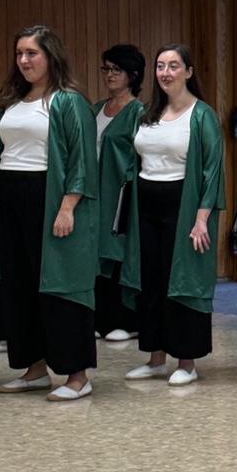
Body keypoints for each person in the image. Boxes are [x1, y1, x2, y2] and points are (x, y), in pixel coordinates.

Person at [0, 25, 99, 401]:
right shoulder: (13, 100)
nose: (24, 60)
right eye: (19, 53)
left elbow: (81, 159)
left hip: (49, 195)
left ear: (50, 56)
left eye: (32, 53)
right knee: (19, 285)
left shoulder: (68, 101)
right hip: (11, 194)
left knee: (61, 287)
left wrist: (68, 206)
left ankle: (77, 375)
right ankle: (34, 367)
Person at [122, 44, 224, 387]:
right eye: (161, 66)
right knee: (151, 280)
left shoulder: (202, 114)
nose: (166, 72)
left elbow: (212, 170)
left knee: (181, 282)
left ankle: (187, 360)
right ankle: (154, 357)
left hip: (183, 204)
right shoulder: (147, 112)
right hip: (146, 202)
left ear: (189, 72)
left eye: (174, 66)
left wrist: (201, 219)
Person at [93, 44, 146, 343]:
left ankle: (125, 319)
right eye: (107, 69)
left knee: (117, 253)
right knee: (95, 255)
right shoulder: (96, 108)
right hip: (93, 193)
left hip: (120, 195)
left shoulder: (139, 112)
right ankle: (100, 317)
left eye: (117, 70)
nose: (110, 75)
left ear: (132, 75)